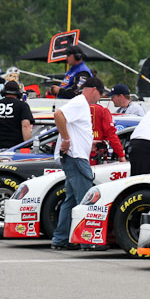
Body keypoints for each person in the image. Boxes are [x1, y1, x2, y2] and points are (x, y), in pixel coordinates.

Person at [50, 77, 105, 250]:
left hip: (74, 156)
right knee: (86, 199)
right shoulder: (80, 103)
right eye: (100, 94)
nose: (100, 98)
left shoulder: (80, 104)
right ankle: (86, 241)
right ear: (94, 89)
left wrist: (90, 143)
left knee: (71, 200)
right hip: (76, 158)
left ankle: (61, 239)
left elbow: (74, 128)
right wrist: (66, 139)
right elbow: (58, 114)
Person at [0, 80, 34, 149]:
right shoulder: (22, 106)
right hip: (16, 151)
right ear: (19, 93)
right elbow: (25, 125)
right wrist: (28, 145)